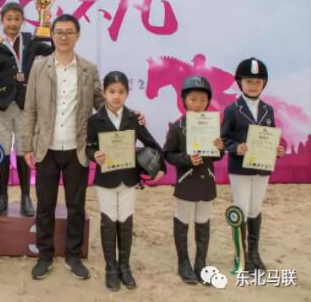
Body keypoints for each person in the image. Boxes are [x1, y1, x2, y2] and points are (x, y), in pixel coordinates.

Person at [21, 14, 104, 281]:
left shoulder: (88, 69)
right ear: (52, 35)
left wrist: (127, 114)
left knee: (76, 205)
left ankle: (72, 255)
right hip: (46, 147)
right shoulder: (39, 68)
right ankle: (45, 255)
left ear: (77, 36)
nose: (64, 36)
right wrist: (27, 146)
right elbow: (30, 109)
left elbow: (101, 104)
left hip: (77, 148)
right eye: (59, 32)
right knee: (45, 205)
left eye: (69, 32)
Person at [86, 71, 165, 291]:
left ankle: (125, 267)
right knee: (108, 221)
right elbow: (88, 147)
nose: (116, 96)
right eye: (112, 91)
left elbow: (152, 143)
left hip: (129, 179)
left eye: (121, 92)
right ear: (104, 93)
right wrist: (94, 155)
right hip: (105, 180)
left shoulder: (133, 118)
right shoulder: (94, 121)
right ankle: (110, 268)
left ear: (127, 93)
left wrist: (161, 167)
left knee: (126, 221)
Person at [0, 2, 54, 217]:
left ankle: (25, 196)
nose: (13, 23)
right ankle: (3, 196)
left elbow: (52, 49)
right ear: (2, 20)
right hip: (3, 105)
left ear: (23, 20)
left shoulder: (31, 41)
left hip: (26, 103)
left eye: (17, 19)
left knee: (24, 150)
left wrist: (47, 26)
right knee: (4, 150)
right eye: (9, 19)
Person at [221, 58, 285, 272]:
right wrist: (235, 147)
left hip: (262, 168)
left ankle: (254, 252)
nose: (253, 85)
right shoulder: (232, 109)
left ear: (264, 83)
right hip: (240, 169)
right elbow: (223, 139)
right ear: (240, 82)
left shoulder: (268, 110)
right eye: (249, 81)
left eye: (258, 82)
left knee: (255, 209)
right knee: (242, 208)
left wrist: (276, 150)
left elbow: (270, 136)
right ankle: (242, 254)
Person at [163, 75, 224, 284]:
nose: (198, 104)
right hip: (187, 181)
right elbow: (168, 154)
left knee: (203, 220)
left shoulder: (213, 125)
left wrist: (220, 148)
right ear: (184, 100)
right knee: (183, 219)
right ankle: (183, 262)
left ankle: (201, 262)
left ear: (208, 101)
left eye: (202, 100)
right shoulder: (177, 127)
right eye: (193, 99)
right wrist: (186, 159)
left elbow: (217, 156)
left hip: (207, 181)